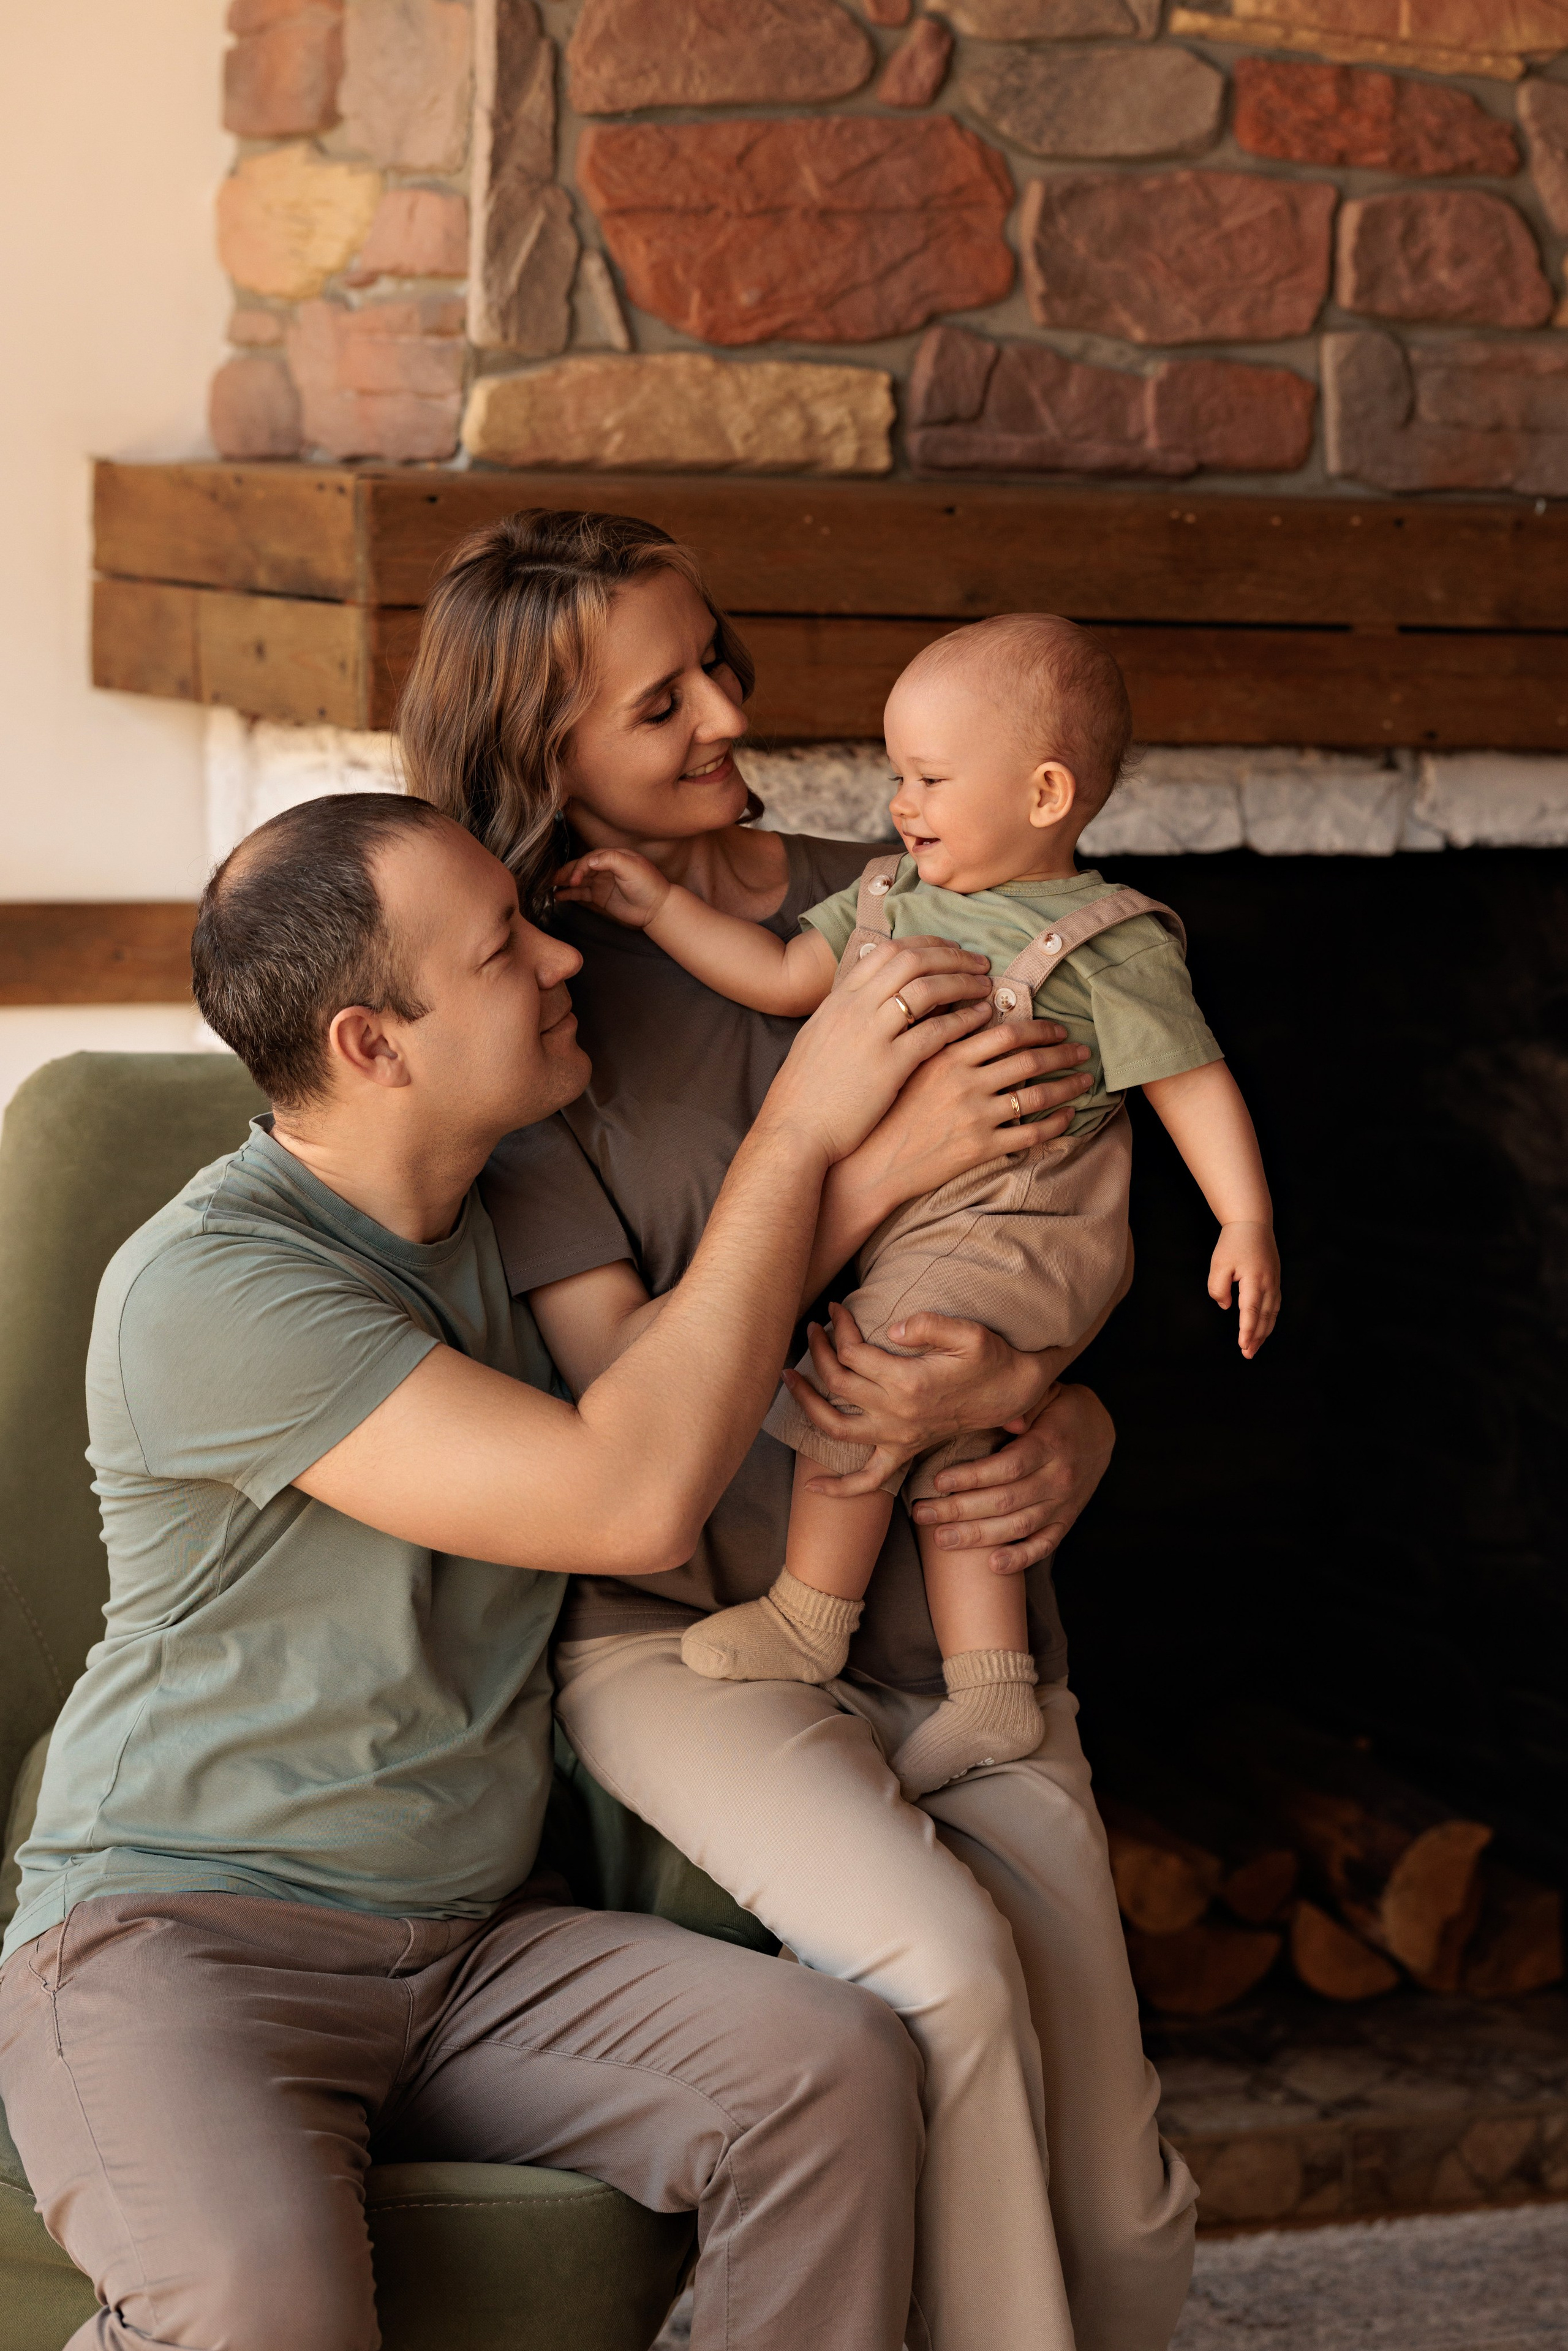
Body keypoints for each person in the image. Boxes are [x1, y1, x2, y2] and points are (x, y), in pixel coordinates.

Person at [0, 790, 1000, 2351]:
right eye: (500, 947)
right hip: (186, 1937)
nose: (558, 957)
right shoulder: (213, 1286)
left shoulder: (512, 1209)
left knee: (828, 2070)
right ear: (370, 1044)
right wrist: (806, 1122)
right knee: (262, 2312)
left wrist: (1034, 1395)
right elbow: (630, 1493)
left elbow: (674, 1372)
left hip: (470, 1944)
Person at [405, 508, 1202, 2351]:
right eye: (657, 699)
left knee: (1126, 2194)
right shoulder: (528, 1028)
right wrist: (867, 1153)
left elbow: (1063, 1234)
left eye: (717, 656)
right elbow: (628, 1425)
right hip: (697, 1627)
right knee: (952, 1985)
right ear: (544, 760)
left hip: (966, 1603)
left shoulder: (930, 873)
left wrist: (1062, 1411)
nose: (727, 710)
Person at [556, 613, 1281, 1797]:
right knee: (953, 1425)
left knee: (871, 1379)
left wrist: (1243, 1220)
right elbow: (784, 976)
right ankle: (993, 1684)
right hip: (934, 1225)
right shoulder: (886, 896)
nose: (900, 802)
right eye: (899, 774)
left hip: (1030, 1221)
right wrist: (657, 913)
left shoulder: (1111, 942)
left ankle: (809, 1612)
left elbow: (1192, 1083)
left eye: (930, 777)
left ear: (1046, 791)